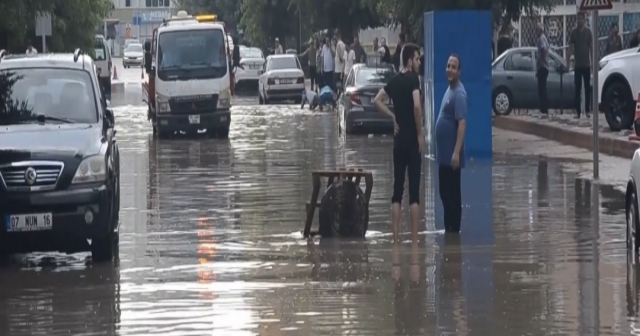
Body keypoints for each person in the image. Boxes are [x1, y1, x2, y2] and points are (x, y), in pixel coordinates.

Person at [372, 43, 423, 242]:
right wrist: (420, 133)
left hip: (398, 140)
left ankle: (395, 239)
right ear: (410, 60)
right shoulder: (414, 80)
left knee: (397, 190)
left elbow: (377, 100)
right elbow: (417, 106)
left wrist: (393, 117)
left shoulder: (393, 82)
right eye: (417, 58)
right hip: (412, 140)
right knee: (414, 192)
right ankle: (415, 240)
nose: (419, 62)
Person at [435, 54, 466, 234]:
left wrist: (456, 152)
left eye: (453, 67)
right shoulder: (450, 90)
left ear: (459, 71)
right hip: (444, 156)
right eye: (448, 66)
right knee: (444, 194)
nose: (449, 69)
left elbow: (462, 123)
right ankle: (450, 235)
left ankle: (454, 233)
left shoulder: (459, 93)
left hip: (452, 157)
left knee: (452, 196)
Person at [568, 12, 592, 119]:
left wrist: (593, 61)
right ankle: (578, 112)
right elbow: (570, 46)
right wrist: (567, 60)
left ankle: (587, 110)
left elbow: (591, 47)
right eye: (578, 19)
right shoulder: (574, 32)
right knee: (577, 89)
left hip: (586, 64)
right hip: (577, 65)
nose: (579, 21)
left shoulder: (588, 32)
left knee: (587, 88)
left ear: (584, 19)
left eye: (581, 19)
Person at [536, 23, 549, 116]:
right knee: (542, 88)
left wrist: (541, 59)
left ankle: (544, 109)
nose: (535, 32)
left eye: (537, 30)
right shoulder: (543, 38)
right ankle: (544, 108)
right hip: (544, 66)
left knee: (542, 89)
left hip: (542, 67)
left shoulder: (541, 39)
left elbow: (543, 49)